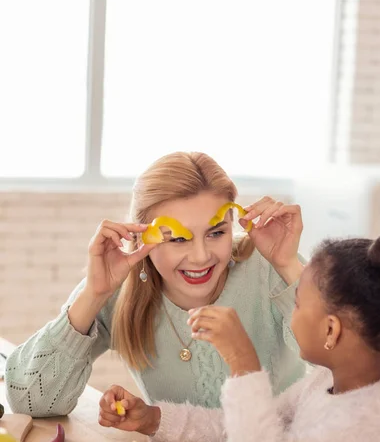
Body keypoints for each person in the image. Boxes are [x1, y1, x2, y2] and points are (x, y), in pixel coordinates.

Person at [102, 227, 380, 442]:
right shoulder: (324, 382)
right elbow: (244, 432)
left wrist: (242, 361)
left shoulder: (379, 420)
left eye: (297, 304)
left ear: (331, 330)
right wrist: (154, 419)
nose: (292, 313)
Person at [5, 152, 305, 418]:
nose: (200, 257)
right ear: (140, 237)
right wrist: (93, 295)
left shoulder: (268, 267)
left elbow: (340, 367)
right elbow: (31, 400)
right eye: (177, 239)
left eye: (216, 233)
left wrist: (289, 267)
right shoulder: (120, 288)